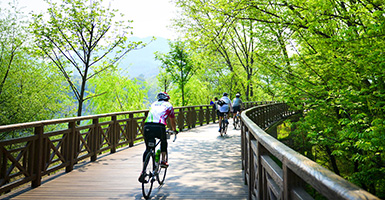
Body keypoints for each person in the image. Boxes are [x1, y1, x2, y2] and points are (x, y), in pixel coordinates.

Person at [140, 92, 177, 180]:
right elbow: (172, 120)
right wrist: (174, 130)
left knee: (148, 149)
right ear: (167, 98)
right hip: (159, 126)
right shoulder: (169, 105)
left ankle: (143, 171)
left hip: (147, 126)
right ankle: (163, 160)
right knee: (163, 141)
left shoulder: (153, 104)